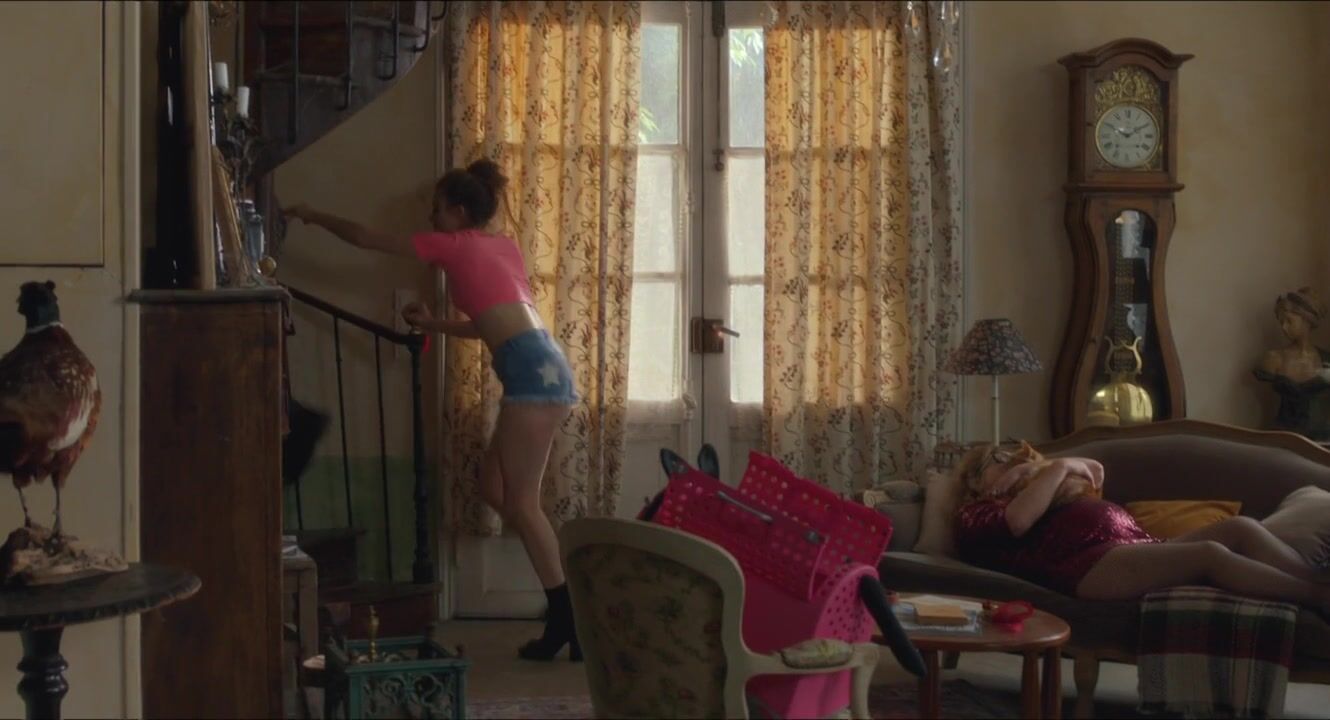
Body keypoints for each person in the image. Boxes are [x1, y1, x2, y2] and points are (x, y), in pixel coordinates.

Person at [283, 159, 583, 661]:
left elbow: (366, 238)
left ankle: (567, 616)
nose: (431, 217)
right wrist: (434, 324)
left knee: (523, 504)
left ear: (458, 212)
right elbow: (490, 325)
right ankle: (563, 599)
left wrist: (313, 214)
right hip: (536, 365)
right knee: (494, 491)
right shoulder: (502, 246)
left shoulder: (453, 244)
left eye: (437, 209)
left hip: (535, 375)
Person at [952, 443, 1330, 611]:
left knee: (1240, 528)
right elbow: (1018, 522)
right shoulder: (976, 514)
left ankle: (1318, 579)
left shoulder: (1040, 491)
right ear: (977, 480)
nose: (1014, 462)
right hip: (1088, 567)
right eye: (1000, 459)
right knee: (1210, 554)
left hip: (1132, 547)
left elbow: (1095, 471)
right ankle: (1318, 598)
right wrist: (1058, 467)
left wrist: (1042, 469)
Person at [1253, 287, 1330, 441]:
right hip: (1283, 435)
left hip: (1322, 439)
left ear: (1307, 321)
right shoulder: (1273, 358)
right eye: (1281, 322)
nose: (1283, 327)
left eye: (1289, 321)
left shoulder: (1326, 359)